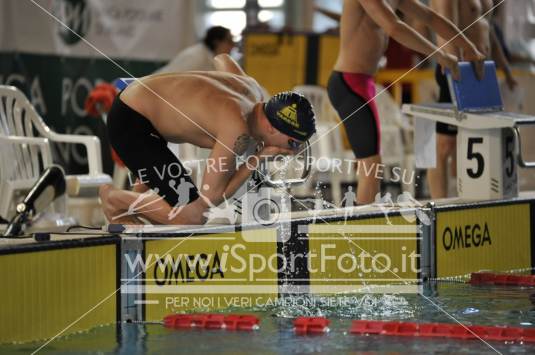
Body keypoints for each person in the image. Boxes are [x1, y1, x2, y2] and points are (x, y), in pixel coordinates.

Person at [99, 54, 316, 225]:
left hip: (146, 114)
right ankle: (113, 198)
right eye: (292, 143)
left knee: (165, 215)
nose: (294, 152)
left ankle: (125, 207)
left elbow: (222, 58)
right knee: (192, 217)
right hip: (131, 122)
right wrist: (258, 158)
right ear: (270, 126)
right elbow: (210, 199)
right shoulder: (236, 128)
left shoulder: (254, 89)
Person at [326, 0, 484, 205]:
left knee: (371, 166)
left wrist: (468, 46)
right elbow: (393, 26)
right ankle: (360, 229)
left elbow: (431, 18)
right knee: (372, 166)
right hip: (349, 82)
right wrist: (442, 56)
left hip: (363, 83)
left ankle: (361, 223)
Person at [427, 0, 518, 199]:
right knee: (445, 145)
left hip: (483, 71)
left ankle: (469, 198)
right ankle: (439, 205)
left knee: (474, 139)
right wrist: (457, 72)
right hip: (459, 70)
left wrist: (506, 70)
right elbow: (445, 26)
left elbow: (488, 31)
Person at [155, 26, 236, 74]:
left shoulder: (209, 56)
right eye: (229, 41)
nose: (233, 46)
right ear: (216, 42)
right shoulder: (197, 57)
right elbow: (172, 82)